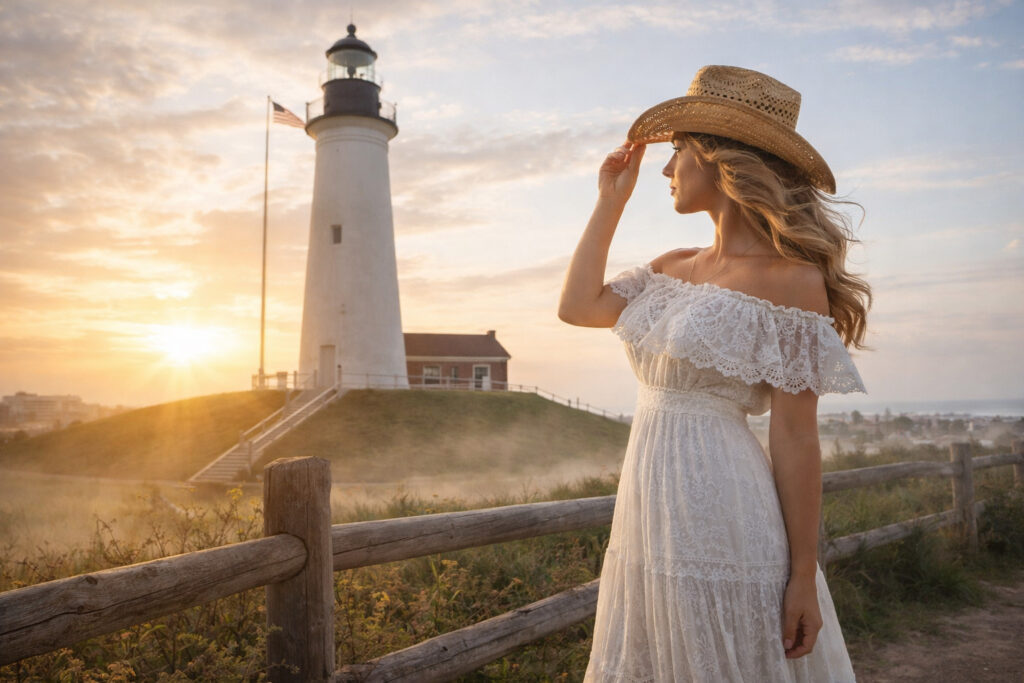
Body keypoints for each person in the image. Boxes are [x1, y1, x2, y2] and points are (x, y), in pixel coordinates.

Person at [558, 65, 871, 682]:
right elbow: (578, 307)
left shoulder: (794, 282)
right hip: (649, 505)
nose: (667, 170)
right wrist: (608, 201)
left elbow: (796, 437)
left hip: (729, 507)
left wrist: (803, 574)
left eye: (677, 152)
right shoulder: (670, 266)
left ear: (719, 159)